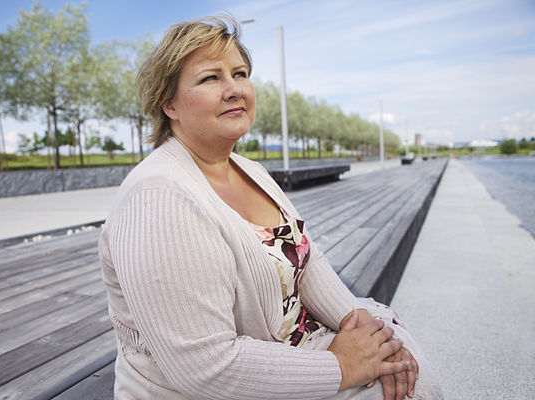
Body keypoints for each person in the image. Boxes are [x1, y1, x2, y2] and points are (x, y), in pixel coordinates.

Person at [98, 15, 443, 400]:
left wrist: (358, 322)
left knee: (404, 356)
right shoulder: (158, 199)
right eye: (210, 78)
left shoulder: (251, 171)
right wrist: (343, 365)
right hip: (218, 387)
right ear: (169, 104)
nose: (234, 90)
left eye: (240, 73)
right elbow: (204, 367)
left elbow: (305, 261)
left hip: (292, 348)